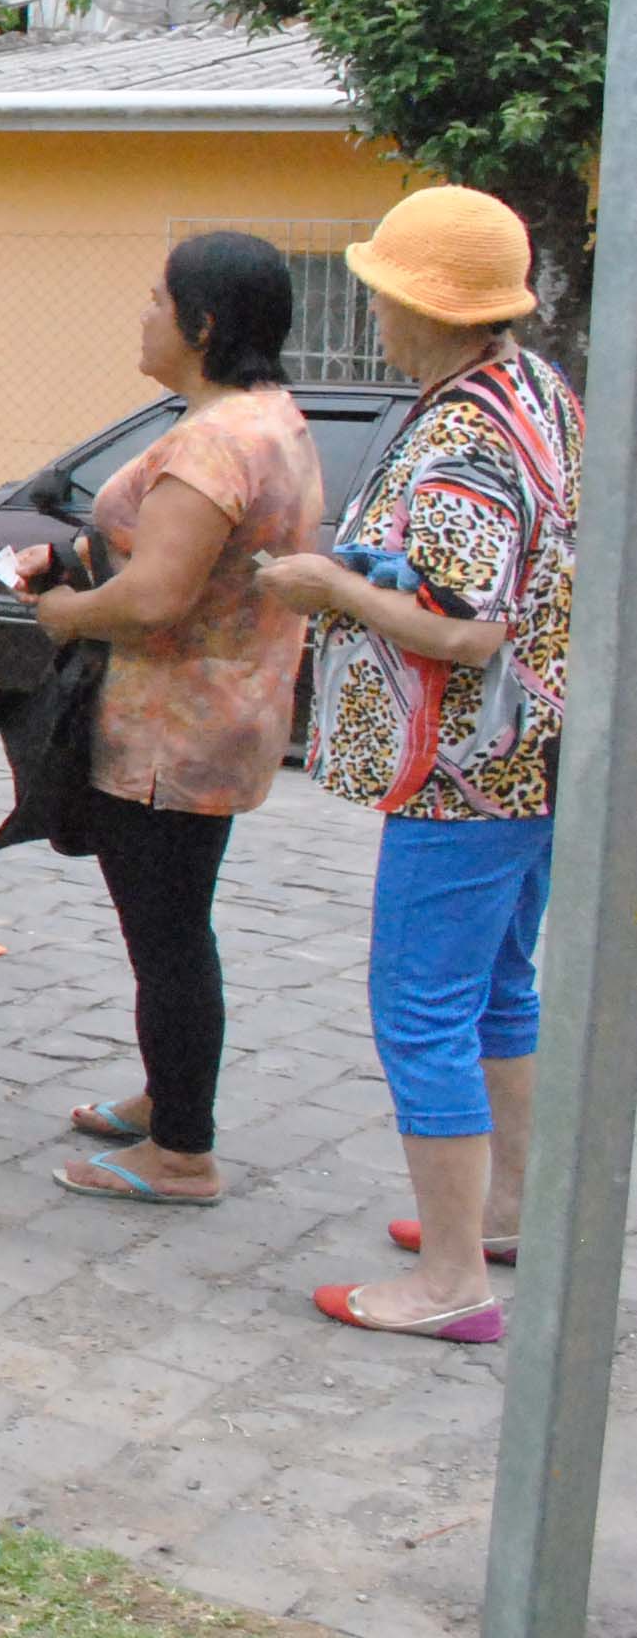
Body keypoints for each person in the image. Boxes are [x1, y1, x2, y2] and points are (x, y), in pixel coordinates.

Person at [258, 189, 579, 1340]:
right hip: (535, 757)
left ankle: (451, 1284)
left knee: (421, 1009)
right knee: (498, 989)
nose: (376, 312)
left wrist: (327, 585)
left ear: (428, 306)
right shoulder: (534, 390)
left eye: (385, 293)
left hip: (463, 776)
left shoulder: (463, 439)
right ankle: (507, 1214)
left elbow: (466, 631)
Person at [24, 232, 323, 1209]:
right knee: (170, 925)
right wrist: (80, 561)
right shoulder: (270, 419)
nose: (143, 315)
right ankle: (167, 1097)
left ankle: (183, 1151)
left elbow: (157, 595)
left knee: (168, 938)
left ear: (202, 324)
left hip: (171, 728)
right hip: (225, 710)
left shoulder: (214, 440)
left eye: (158, 299)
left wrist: (67, 611)